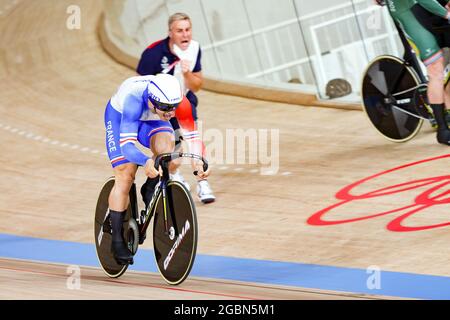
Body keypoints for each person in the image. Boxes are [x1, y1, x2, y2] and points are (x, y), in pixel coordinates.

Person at [104, 73, 210, 265]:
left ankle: (151, 186)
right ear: (152, 102)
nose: (170, 113)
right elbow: (127, 147)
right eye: (165, 108)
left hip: (152, 119)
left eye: (173, 108)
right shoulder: (133, 100)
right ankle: (117, 239)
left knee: (167, 151)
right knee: (126, 175)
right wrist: (145, 161)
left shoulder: (177, 103)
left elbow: (193, 137)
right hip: (120, 117)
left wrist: (199, 164)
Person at [136, 12, 216, 204]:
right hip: (160, 109)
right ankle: (173, 173)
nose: (185, 34)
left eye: (188, 30)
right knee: (172, 152)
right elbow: (139, 87)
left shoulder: (195, 48)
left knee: (194, 140)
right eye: (179, 31)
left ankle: (202, 182)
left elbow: (197, 85)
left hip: (183, 102)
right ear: (170, 32)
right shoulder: (153, 53)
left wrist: (187, 74)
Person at [378, 0, 450, 145]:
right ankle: (443, 130)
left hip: (431, 10)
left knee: (447, 63)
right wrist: (446, 13)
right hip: (410, 15)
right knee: (436, 70)